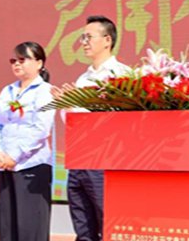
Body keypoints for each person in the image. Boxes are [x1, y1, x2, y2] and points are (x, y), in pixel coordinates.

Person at [52, 15, 130, 241]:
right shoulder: (83, 79)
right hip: (79, 160)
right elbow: (74, 122)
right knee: (83, 228)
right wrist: (66, 106)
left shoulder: (121, 75)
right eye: (82, 38)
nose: (84, 42)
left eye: (89, 37)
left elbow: (116, 120)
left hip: (105, 161)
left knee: (109, 224)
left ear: (107, 40)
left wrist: (76, 105)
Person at [0, 41, 55, 241]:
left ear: (39, 63)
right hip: (5, 165)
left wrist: (15, 156)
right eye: (14, 60)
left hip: (32, 165)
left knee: (30, 227)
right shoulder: (7, 91)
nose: (17, 64)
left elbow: (41, 129)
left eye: (22, 59)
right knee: (8, 225)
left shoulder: (45, 91)